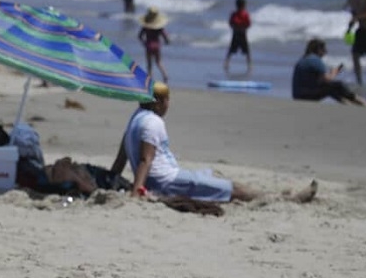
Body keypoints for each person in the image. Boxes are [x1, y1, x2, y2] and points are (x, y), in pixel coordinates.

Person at [111, 82, 318, 202]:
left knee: (213, 173)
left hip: (167, 176)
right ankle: (285, 199)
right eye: (167, 100)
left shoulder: (136, 116)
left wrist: (112, 177)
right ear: (159, 102)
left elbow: (123, 153)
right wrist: (136, 192)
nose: (168, 105)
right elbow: (146, 160)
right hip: (168, 181)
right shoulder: (153, 123)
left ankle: (273, 194)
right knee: (232, 188)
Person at [291, 38, 366, 107]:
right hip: (304, 96)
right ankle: (363, 103)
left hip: (298, 94)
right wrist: (334, 72)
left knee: (331, 88)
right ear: (319, 50)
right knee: (336, 86)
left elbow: (318, 81)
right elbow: (327, 79)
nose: (326, 52)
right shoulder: (315, 60)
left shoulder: (304, 59)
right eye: (324, 49)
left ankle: (349, 104)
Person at [138, 7, 170, 83]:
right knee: (159, 62)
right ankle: (165, 75)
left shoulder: (146, 27)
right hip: (157, 45)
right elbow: (165, 36)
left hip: (148, 45)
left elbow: (139, 36)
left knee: (149, 63)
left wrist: (143, 43)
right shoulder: (159, 28)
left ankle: (150, 78)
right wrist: (167, 41)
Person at [224, 0, 252, 74]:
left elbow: (231, 23)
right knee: (246, 51)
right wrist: (243, 27)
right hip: (242, 34)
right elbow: (248, 24)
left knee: (231, 50)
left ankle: (227, 63)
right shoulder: (244, 14)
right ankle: (249, 65)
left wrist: (236, 26)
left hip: (236, 34)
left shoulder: (235, 14)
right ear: (244, 5)